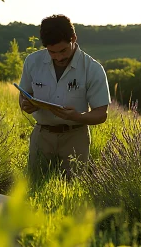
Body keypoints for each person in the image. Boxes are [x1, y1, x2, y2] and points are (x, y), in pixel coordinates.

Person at [18, 14, 111, 180]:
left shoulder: (93, 69)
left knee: (71, 192)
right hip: (42, 135)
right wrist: (25, 104)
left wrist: (78, 116)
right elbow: (24, 94)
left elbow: (101, 114)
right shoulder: (32, 61)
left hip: (75, 137)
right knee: (34, 186)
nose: (59, 57)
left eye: (63, 51)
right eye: (52, 52)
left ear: (73, 38)